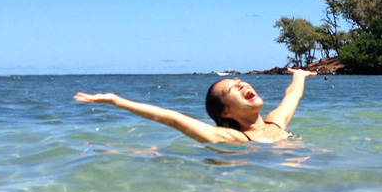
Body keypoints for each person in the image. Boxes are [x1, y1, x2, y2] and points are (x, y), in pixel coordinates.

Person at [74, 68, 316, 144]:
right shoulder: (234, 138)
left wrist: (299, 75)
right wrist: (116, 101)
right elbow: (172, 118)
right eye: (233, 89)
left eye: (240, 81)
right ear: (226, 112)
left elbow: (293, 95)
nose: (242, 85)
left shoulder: (276, 122)